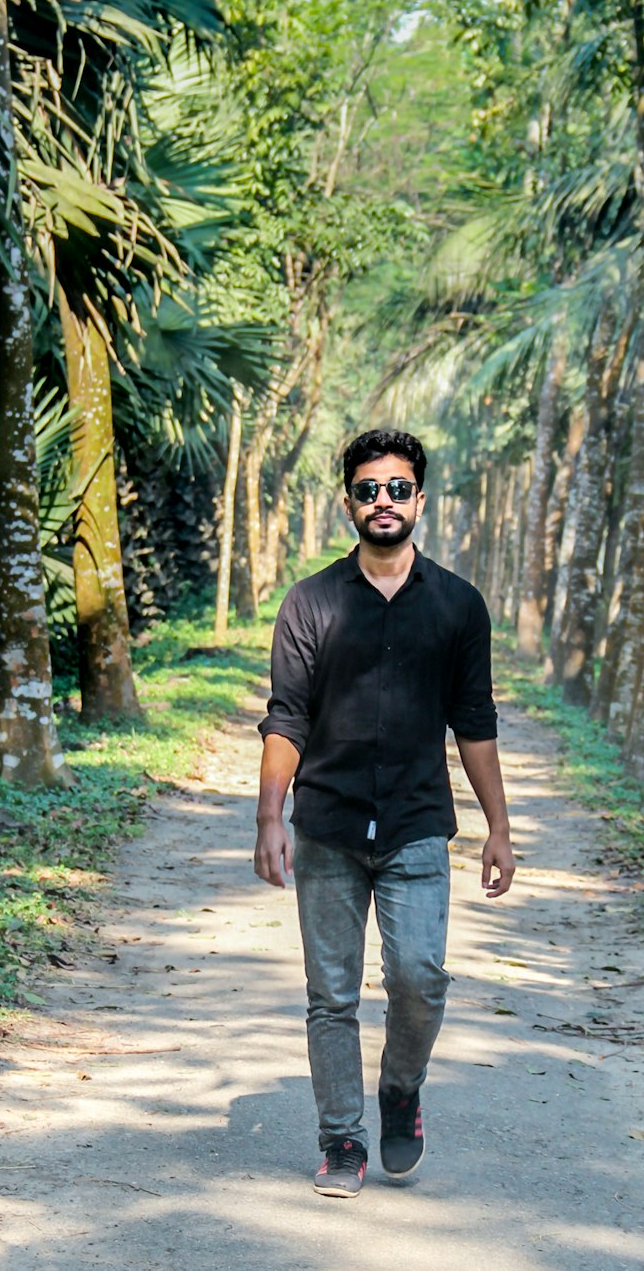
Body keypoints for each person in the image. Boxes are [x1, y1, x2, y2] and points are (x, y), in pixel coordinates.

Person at [255, 428, 514, 1199]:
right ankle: (342, 1139)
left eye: (397, 488)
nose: (383, 502)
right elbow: (286, 719)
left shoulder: (459, 606)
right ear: (348, 502)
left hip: (416, 825)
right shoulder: (311, 603)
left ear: (420, 500)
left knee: (418, 978)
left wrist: (499, 826)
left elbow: (474, 722)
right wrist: (271, 816)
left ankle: (401, 1088)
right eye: (369, 489)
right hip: (328, 826)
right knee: (330, 995)